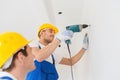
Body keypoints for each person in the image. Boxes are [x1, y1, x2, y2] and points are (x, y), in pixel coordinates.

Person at [0, 30, 73, 80]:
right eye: (31, 52)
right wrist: (59, 39)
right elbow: (39, 56)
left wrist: (84, 48)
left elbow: (71, 62)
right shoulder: (35, 44)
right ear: (21, 57)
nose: (33, 56)